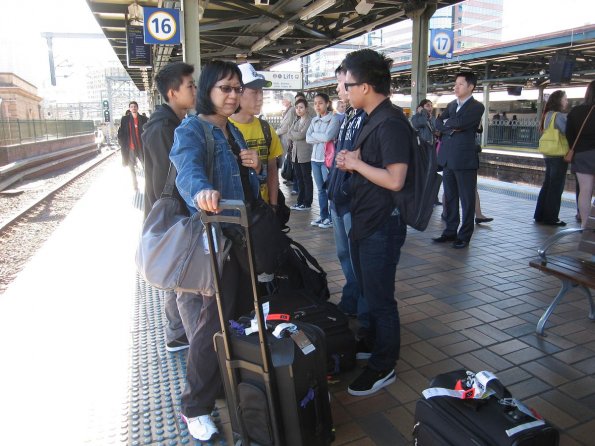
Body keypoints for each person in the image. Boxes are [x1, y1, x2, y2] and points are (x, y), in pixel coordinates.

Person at [169, 60, 261, 442]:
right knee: (211, 326)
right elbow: (186, 168)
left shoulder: (233, 133)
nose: (233, 95)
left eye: (237, 88)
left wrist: (253, 168)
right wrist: (201, 192)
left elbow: (249, 193)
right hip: (213, 243)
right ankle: (194, 407)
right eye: (225, 88)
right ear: (208, 90)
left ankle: (226, 379)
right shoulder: (193, 129)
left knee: (236, 315)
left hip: (238, 240)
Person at [335, 49, 410, 397]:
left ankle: (384, 365)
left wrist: (356, 163)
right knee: (370, 291)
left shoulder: (391, 122)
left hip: (383, 223)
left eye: (348, 84)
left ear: (365, 86)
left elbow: (395, 179)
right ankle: (376, 344)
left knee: (381, 299)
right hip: (366, 219)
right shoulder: (371, 117)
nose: (344, 90)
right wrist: (355, 161)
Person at [141, 61, 200, 353]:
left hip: (170, 211)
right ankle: (183, 334)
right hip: (173, 213)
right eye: (190, 85)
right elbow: (171, 177)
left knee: (177, 273)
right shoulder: (164, 129)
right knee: (183, 276)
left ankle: (176, 333)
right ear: (173, 92)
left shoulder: (168, 124)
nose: (195, 90)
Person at [326, 63, 368, 340]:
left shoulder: (369, 118)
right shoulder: (349, 115)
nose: (340, 89)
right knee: (344, 254)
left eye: (344, 84)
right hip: (338, 197)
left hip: (353, 200)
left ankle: (364, 313)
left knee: (358, 258)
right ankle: (351, 300)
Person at [433, 71, 485, 249]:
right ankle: (450, 231)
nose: (456, 87)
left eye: (460, 84)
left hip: (464, 160)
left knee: (467, 199)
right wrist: (450, 126)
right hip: (448, 159)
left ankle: (465, 235)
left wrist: (449, 125)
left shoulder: (477, 107)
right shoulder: (451, 104)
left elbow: (461, 123)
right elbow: (438, 123)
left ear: (470, 86)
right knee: (450, 197)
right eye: (455, 84)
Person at [230, 63, 282, 207]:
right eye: (254, 92)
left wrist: (273, 206)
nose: (260, 98)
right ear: (238, 93)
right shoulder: (222, 129)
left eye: (261, 91)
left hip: (263, 210)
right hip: (236, 213)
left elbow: (272, 171)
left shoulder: (266, 129)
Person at [534, 90, 569, 226]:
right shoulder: (558, 116)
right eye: (565, 99)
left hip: (548, 153)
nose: (567, 101)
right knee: (556, 186)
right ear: (558, 101)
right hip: (558, 153)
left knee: (547, 184)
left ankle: (540, 214)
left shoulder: (546, 115)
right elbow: (567, 131)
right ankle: (551, 217)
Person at [306, 92, 341, 228]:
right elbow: (308, 138)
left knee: (329, 189)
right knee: (320, 190)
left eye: (320, 103)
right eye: (315, 103)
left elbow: (328, 137)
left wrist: (315, 135)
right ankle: (323, 216)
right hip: (314, 159)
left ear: (327, 104)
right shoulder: (314, 120)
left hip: (327, 160)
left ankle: (332, 218)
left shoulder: (334, 119)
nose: (317, 106)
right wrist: (320, 136)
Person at [566, 80, 595, 228]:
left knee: (585, 189)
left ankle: (585, 224)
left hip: (582, 154)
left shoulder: (576, 111)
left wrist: (575, 149)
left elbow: (569, 134)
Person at [288, 98, 313, 211]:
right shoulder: (296, 121)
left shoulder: (309, 120)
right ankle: (300, 201)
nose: (298, 109)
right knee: (299, 178)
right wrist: (295, 134)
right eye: (297, 107)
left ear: (306, 109)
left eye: (301, 107)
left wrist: (294, 134)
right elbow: (289, 134)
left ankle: (307, 203)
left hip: (305, 154)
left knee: (306, 178)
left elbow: (301, 136)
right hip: (295, 154)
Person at [118, 101, 148, 191]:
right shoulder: (125, 119)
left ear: (137, 108)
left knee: (146, 166)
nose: (133, 108)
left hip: (141, 147)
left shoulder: (144, 119)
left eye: (135, 106)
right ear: (129, 109)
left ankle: (148, 184)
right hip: (130, 147)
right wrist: (122, 143)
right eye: (131, 107)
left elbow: (149, 131)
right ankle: (135, 186)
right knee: (131, 167)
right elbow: (120, 132)